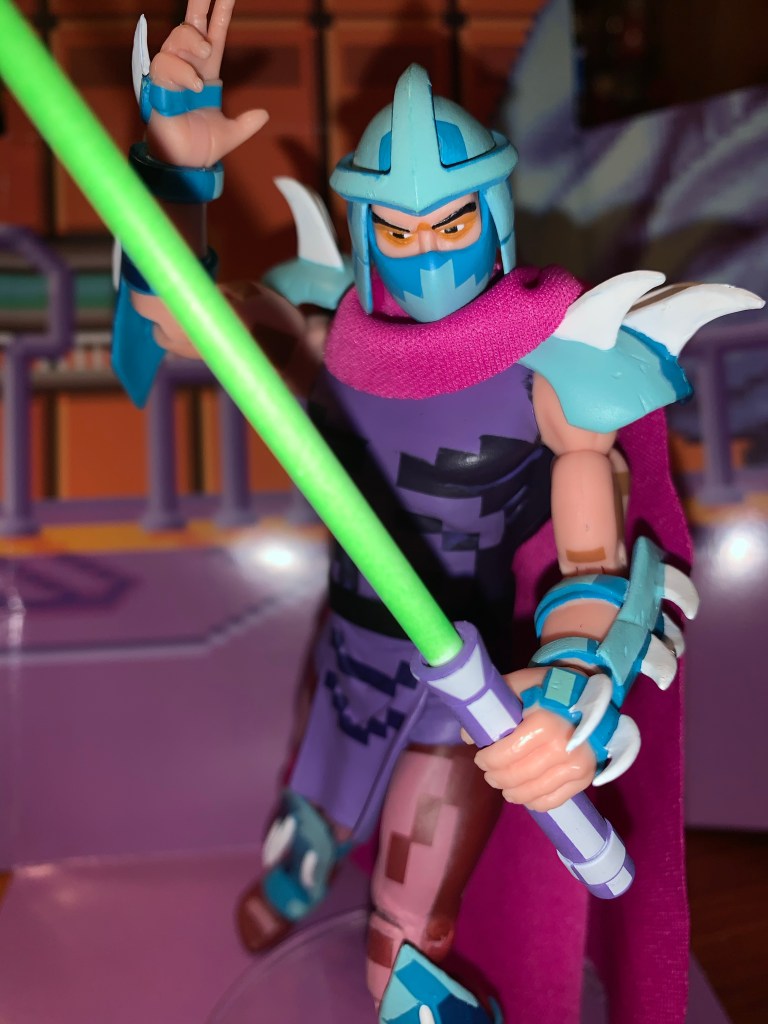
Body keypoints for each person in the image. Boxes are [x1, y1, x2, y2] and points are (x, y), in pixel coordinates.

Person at [113, 3, 760, 1021]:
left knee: (408, 917)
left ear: (491, 215)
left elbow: (598, 561)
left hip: (459, 683)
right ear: (365, 229)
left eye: (449, 224)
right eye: (400, 229)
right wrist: (174, 171)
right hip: (344, 653)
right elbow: (168, 318)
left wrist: (569, 690)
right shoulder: (326, 337)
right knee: (308, 821)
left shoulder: (554, 364)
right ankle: (298, 874)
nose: (424, 250)